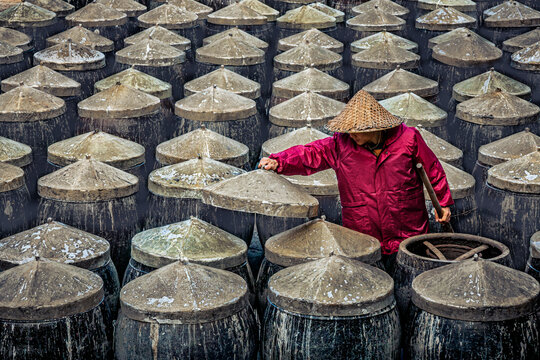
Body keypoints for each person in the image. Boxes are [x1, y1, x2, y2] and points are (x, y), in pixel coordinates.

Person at [259, 90, 453, 270]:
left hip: (406, 227)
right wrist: (279, 162)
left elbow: (432, 169)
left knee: (408, 280)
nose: (351, 134)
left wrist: (443, 203)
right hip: (363, 231)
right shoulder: (341, 145)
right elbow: (310, 154)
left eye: (356, 130)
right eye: (348, 130)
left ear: (375, 128)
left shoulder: (408, 139)